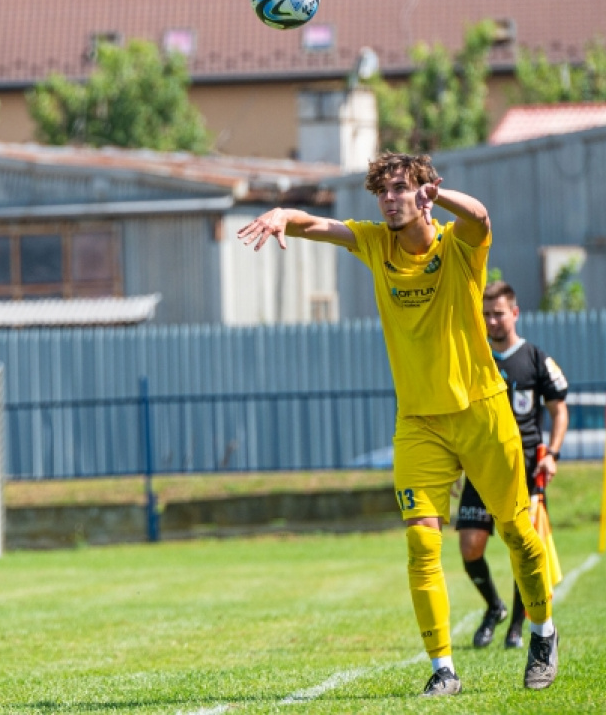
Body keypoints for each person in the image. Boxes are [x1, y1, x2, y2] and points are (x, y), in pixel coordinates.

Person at [237, 151, 558, 697]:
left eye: (399, 189)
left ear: (422, 192)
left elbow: (481, 218)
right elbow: (319, 224)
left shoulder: (458, 246)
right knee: (422, 544)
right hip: (419, 422)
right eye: (381, 191)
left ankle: (543, 633)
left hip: (483, 410)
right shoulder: (375, 242)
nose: (388, 199)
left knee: (517, 534)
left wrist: (444, 195)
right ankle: (443, 668)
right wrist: (282, 214)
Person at [457, 281, 568, 651]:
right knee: (470, 546)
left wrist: (551, 452)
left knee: (522, 546)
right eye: (486, 314)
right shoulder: (477, 359)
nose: (491, 320)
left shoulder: (536, 357)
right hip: (480, 462)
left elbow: (558, 410)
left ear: (515, 313)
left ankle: (519, 626)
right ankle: (494, 608)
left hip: (524, 467)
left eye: (498, 313)